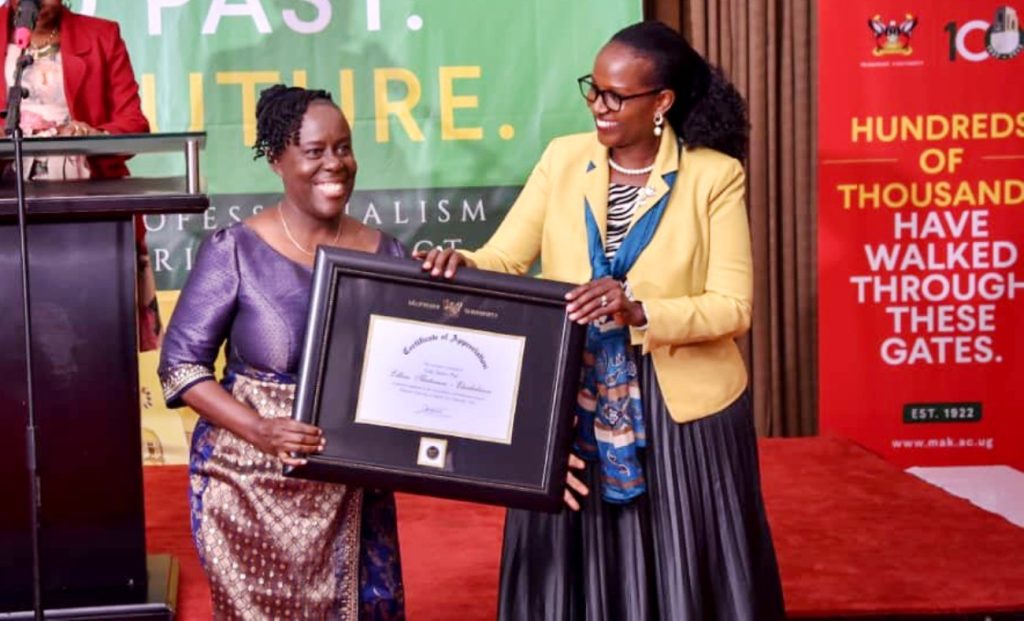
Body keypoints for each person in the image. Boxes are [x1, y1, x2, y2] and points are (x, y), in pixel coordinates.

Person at [421, 21, 785, 620]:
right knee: (576, 563)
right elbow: (506, 257)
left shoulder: (714, 176)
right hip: (573, 395)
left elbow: (734, 306)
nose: (599, 105)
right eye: (593, 88)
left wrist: (637, 308)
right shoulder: (564, 159)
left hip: (680, 416)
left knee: (680, 565)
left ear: (662, 102)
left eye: (617, 95)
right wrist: (462, 261)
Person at [158, 85, 406, 620]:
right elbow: (180, 369)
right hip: (247, 489)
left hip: (354, 489)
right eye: (314, 152)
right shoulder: (235, 250)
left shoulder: (388, 253)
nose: (334, 164)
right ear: (277, 160)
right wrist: (261, 430)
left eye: (343, 147)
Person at [1, 0, 160, 348]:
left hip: (88, 206)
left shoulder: (102, 35)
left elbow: (134, 124)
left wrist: (91, 135)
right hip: (7, 205)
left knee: (90, 337)